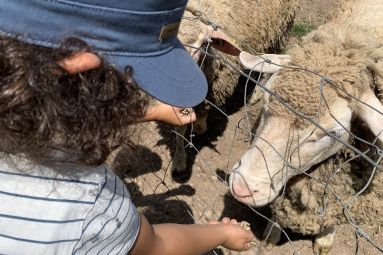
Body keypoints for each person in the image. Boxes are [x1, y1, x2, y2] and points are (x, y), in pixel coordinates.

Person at [0, 0, 255, 254]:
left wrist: (153, 112)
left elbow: (52, 113)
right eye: (134, 76)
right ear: (79, 64)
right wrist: (222, 233)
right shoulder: (92, 207)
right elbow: (157, 246)